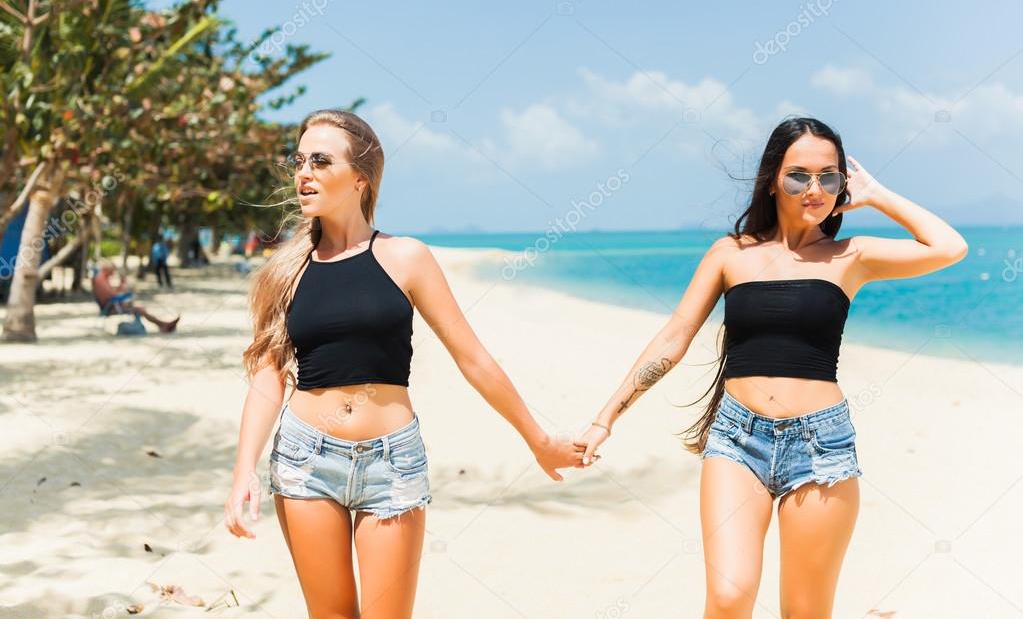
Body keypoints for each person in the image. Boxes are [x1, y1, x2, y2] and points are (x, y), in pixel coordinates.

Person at [575, 117, 968, 618]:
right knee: (729, 596)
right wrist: (606, 417)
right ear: (771, 178)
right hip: (739, 439)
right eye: (799, 175)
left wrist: (876, 194)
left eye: (830, 176)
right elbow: (672, 339)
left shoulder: (852, 256)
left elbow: (949, 247)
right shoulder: (730, 254)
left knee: (804, 611)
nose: (815, 189)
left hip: (821, 447)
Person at [224, 109, 589, 618]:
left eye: (320, 160)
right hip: (306, 459)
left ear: (360, 178)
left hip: (392, 462)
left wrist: (538, 439)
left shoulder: (406, 258)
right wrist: (245, 469)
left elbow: (473, 358)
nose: (302, 172)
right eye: (299, 159)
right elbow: (267, 374)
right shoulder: (285, 270)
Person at [92, 260, 180, 333]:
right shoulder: (101, 280)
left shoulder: (101, 279)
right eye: (112, 272)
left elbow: (113, 293)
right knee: (139, 308)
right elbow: (113, 295)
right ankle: (163, 325)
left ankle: (163, 324)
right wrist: (123, 287)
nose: (112, 274)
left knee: (139, 306)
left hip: (113, 304)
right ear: (106, 269)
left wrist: (122, 285)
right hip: (110, 307)